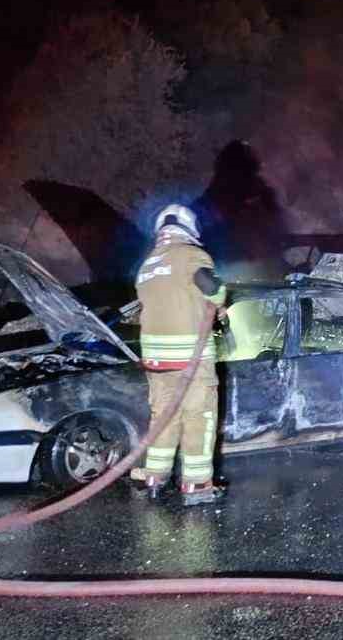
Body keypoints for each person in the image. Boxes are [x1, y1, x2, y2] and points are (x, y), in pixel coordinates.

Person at [130, 203, 229, 506]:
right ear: (189, 228)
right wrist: (221, 301)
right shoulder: (191, 255)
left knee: (164, 417)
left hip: (156, 360)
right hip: (190, 359)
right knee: (200, 417)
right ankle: (197, 485)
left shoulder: (147, 265)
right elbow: (210, 286)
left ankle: (155, 477)